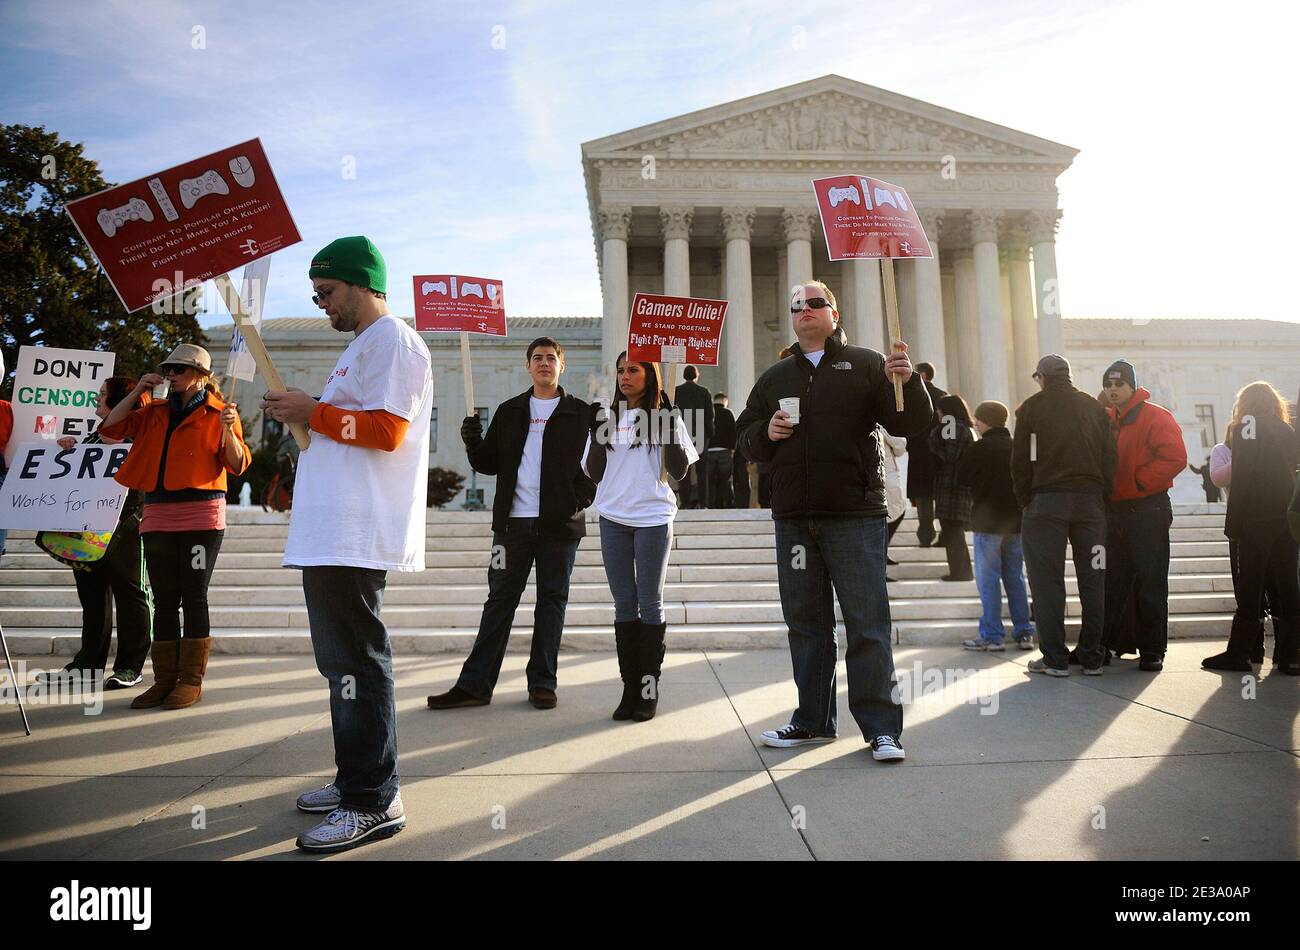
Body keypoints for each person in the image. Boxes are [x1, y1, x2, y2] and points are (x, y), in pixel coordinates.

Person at [264, 236, 433, 851]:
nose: (321, 305)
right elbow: (344, 429)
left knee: (359, 662)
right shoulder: (363, 346)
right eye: (315, 295)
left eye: (327, 292)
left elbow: (388, 431)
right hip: (331, 531)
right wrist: (307, 414)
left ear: (362, 284)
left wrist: (313, 410)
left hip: (356, 531)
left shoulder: (394, 341)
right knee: (341, 666)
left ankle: (375, 799)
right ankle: (357, 777)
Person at [736, 280, 932, 762]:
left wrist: (908, 383)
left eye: (815, 303)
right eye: (797, 306)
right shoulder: (775, 376)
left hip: (854, 514)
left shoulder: (868, 364)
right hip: (796, 518)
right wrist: (767, 431)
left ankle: (882, 729)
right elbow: (744, 436)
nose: (805, 310)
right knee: (806, 625)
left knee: (867, 623)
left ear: (835, 311)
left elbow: (909, 423)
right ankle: (812, 722)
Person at [426, 337, 595, 711]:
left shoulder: (582, 413)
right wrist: (472, 441)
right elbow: (488, 463)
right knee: (499, 602)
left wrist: (578, 500)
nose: (544, 363)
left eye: (551, 358)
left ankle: (542, 683)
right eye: (537, 358)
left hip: (559, 528)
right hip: (511, 528)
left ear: (561, 366)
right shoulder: (510, 411)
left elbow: (595, 468)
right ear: (528, 366)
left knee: (551, 603)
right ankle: (475, 685)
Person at [99, 344, 250, 709]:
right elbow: (111, 428)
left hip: (202, 515)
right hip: (159, 513)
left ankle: (190, 680)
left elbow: (238, 463)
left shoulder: (221, 412)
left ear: (201, 375)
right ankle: (164, 679)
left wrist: (228, 430)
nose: (171, 376)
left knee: (193, 595)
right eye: (168, 369)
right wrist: (137, 391)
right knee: (165, 598)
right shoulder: (153, 411)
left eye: (180, 370)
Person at [583, 351, 695, 722]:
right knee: (623, 605)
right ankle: (629, 688)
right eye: (620, 371)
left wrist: (668, 431)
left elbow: (678, 472)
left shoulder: (667, 416)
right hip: (613, 517)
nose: (624, 376)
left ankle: (648, 689)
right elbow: (594, 472)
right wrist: (596, 434)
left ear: (650, 374)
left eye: (633, 370)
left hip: (652, 517)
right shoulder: (607, 417)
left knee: (650, 602)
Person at [1012, 354, 1116, 677]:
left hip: (1046, 503)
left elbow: (1021, 461)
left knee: (1047, 581)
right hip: (1090, 505)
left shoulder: (1031, 409)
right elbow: (1110, 458)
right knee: (1094, 580)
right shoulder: (1095, 409)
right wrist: (1103, 498)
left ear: (1042, 376)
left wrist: (1026, 498)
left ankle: (1056, 658)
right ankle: (1091, 656)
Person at [45, 376, 153, 687]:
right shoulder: (92, 437)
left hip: (127, 527)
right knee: (92, 599)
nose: (97, 399)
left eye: (102, 395)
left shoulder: (136, 433)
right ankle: (87, 665)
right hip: (87, 530)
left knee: (131, 594)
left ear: (118, 400)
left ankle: (130, 666)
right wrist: (67, 448)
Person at [1202, 382, 1299, 674]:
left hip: (1256, 519)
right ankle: (1290, 655)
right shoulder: (1287, 430)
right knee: (1288, 587)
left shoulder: (1247, 425)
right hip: (1285, 518)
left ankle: (1240, 653)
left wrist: (1234, 522)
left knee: (1250, 588)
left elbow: (1243, 476)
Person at [1099, 359, 1187, 672]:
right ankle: (1102, 645)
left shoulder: (1156, 416)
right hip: (1115, 513)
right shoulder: (1107, 419)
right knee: (1112, 582)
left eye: (1119, 384)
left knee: (1151, 583)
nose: (1112, 390)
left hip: (1148, 510)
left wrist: (1138, 482)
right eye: (1108, 384)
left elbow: (1176, 457)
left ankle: (1152, 651)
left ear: (1132, 386)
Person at [957, 400, 1034, 651]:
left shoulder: (978, 449)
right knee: (1015, 577)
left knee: (988, 580)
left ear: (984, 421)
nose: (976, 425)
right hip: (1016, 522)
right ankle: (1024, 633)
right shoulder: (1016, 447)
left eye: (978, 420)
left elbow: (962, 478)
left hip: (987, 522)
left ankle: (993, 635)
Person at [929, 394, 975, 581]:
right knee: (953, 530)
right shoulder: (963, 428)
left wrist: (933, 440)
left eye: (939, 410)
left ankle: (960, 572)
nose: (937, 413)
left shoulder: (951, 427)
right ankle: (961, 570)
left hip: (952, 488)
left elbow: (949, 455)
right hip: (957, 487)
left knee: (952, 530)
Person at [905, 361, 946, 547]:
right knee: (941, 495)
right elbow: (947, 428)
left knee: (923, 497)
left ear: (922, 375)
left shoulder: (911, 395)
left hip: (919, 453)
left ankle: (926, 535)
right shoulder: (943, 397)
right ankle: (946, 533)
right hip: (940, 455)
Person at [672, 365, 714, 508]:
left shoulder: (677, 391)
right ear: (696, 375)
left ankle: (685, 502)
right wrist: (710, 433)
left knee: (684, 471)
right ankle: (703, 503)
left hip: (682, 435)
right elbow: (709, 416)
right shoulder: (704, 392)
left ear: (684, 376)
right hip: (700, 435)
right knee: (702, 472)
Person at [879, 424, 907, 575]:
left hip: (882, 473)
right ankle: (881, 557)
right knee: (895, 513)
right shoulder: (882, 423)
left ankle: (883, 553)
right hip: (886, 474)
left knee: (892, 514)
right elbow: (900, 446)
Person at [705, 392, 736, 508]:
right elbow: (734, 432)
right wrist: (732, 448)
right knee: (726, 480)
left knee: (710, 482)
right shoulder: (728, 412)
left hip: (709, 450)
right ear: (724, 401)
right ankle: (729, 504)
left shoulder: (708, 413)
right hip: (725, 451)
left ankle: (711, 505)